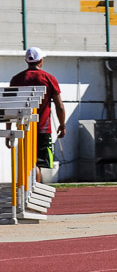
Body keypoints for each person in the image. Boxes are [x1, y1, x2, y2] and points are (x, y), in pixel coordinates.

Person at [8, 47, 66, 179]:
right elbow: (60, 107)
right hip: (42, 128)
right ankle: (34, 192)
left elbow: (10, 106)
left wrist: (8, 131)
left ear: (26, 60)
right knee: (37, 164)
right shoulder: (49, 78)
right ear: (40, 61)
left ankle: (29, 191)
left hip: (22, 127)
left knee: (28, 162)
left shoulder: (16, 79)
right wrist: (62, 125)